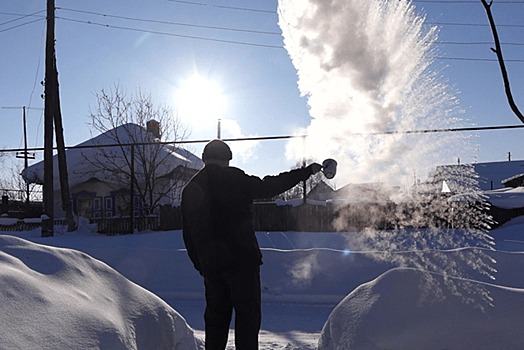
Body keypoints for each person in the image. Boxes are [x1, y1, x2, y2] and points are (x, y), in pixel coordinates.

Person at [181, 139, 321, 350]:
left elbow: (188, 235)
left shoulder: (191, 188)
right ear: (226, 159)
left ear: (204, 158)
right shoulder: (234, 178)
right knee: (248, 319)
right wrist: (305, 172)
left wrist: (201, 265)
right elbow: (269, 186)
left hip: (212, 266)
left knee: (215, 322)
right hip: (243, 263)